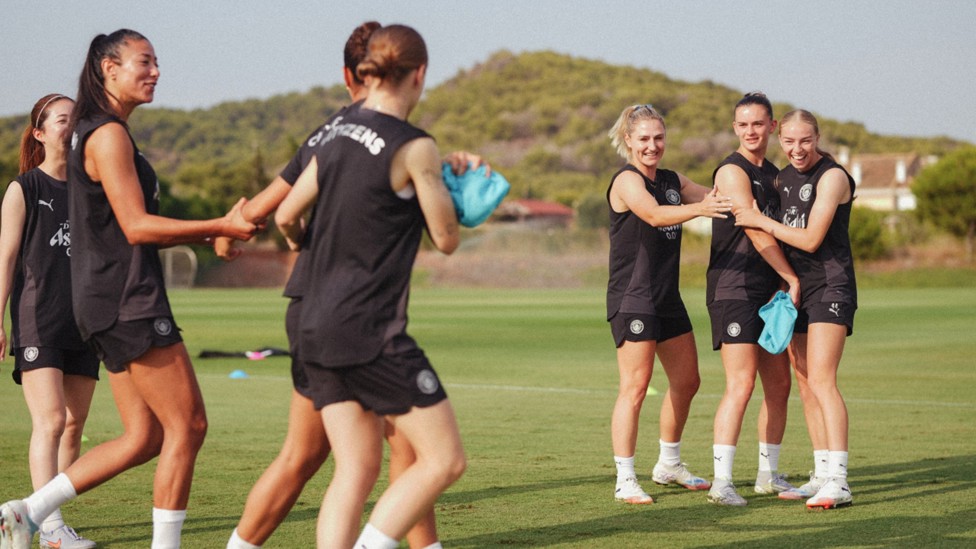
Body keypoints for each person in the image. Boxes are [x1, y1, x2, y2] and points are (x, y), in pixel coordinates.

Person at [221, 21, 483, 549]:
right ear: (419, 74)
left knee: (356, 468)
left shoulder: (336, 131)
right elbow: (447, 238)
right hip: (368, 329)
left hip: (312, 321)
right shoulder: (415, 145)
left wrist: (308, 243)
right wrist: (458, 186)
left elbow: (287, 215)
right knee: (444, 460)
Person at [0, 29, 257, 549]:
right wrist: (220, 225)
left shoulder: (103, 135)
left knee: (145, 437)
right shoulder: (106, 136)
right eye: (144, 61)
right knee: (188, 426)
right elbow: (138, 228)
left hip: (102, 306)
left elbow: (124, 227)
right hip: (125, 302)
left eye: (157, 61)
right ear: (109, 69)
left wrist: (212, 233)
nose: (155, 71)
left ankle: (28, 512)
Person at [606, 104, 732, 504]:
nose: (652, 145)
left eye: (658, 138)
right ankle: (625, 478)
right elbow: (655, 215)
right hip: (633, 299)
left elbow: (719, 197)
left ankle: (669, 464)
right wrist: (701, 210)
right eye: (644, 138)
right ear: (629, 140)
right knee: (635, 387)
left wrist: (752, 190)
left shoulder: (673, 180)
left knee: (688, 381)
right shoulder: (626, 181)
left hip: (666, 298)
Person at [735, 109, 857, 509]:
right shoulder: (782, 178)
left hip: (831, 287)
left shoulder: (833, 176)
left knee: (822, 380)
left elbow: (810, 239)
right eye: (789, 141)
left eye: (805, 140)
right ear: (779, 138)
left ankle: (839, 480)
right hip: (797, 291)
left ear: (817, 137)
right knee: (805, 383)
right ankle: (821, 474)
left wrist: (759, 220)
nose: (797, 149)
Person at [0, 94, 98, 549]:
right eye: (63, 119)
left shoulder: (92, 188)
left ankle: (32, 518)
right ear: (40, 133)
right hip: (38, 316)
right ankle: (53, 530)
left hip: (85, 323)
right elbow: (5, 259)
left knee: (74, 424)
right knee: (52, 420)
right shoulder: (24, 188)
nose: (73, 125)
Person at [705, 92, 801, 506]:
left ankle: (767, 475)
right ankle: (721, 482)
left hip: (768, 292)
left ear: (772, 127)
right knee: (741, 383)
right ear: (734, 128)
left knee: (779, 385)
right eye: (743, 125)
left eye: (758, 124)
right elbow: (755, 228)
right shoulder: (732, 171)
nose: (750, 131)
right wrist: (791, 276)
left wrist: (781, 281)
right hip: (734, 288)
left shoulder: (775, 175)